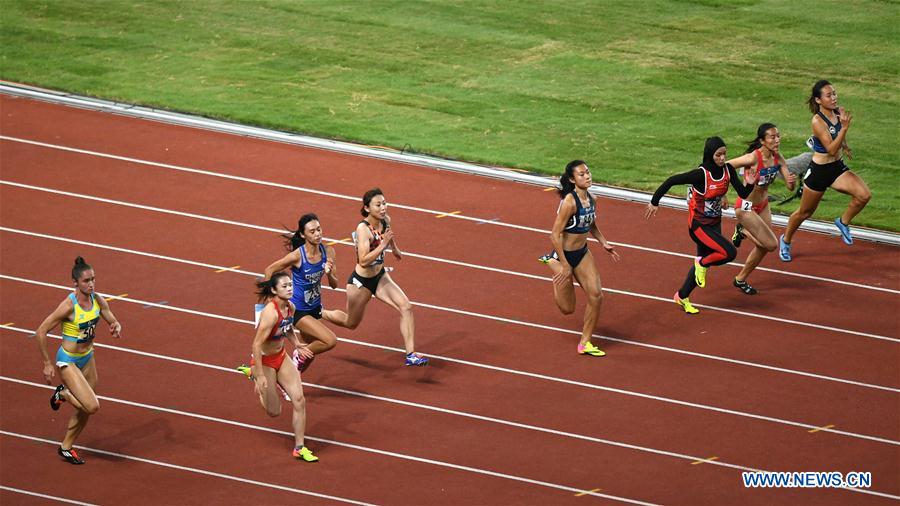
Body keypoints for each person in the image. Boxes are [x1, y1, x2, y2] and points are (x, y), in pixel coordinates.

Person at [644, 137, 753, 313]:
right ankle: (701, 264)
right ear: (711, 155)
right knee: (729, 253)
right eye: (719, 155)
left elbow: (743, 192)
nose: (723, 158)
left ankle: (682, 296)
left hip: (715, 223)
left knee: (704, 263)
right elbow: (672, 180)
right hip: (698, 226)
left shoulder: (728, 170)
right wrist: (655, 201)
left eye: (725, 154)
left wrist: (751, 181)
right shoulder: (700, 174)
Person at [322, 188, 428, 366]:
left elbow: (388, 234)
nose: (383, 207)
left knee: (406, 307)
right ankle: (318, 312)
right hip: (360, 283)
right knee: (350, 323)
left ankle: (411, 354)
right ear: (367, 208)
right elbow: (363, 260)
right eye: (378, 205)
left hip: (379, 276)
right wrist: (384, 245)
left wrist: (394, 248)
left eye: (384, 203)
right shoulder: (363, 229)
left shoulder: (386, 220)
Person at [34, 257, 122, 465]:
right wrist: (47, 363)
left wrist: (116, 325)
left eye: (93, 279)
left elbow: (109, 315)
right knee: (91, 406)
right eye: (86, 281)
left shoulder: (97, 300)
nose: (91, 284)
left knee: (84, 409)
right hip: (68, 361)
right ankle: (63, 392)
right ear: (75, 282)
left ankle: (66, 447)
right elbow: (41, 332)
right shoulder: (68, 307)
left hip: (87, 357)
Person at [779, 80, 872, 261]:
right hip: (819, 171)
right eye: (829, 95)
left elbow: (836, 139)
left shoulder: (838, 112)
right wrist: (844, 129)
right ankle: (786, 240)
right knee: (805, 212)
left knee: (864, 195)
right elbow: (830, 148)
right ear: (818, 100)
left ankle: (843, 222)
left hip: (837, 168)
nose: (834, 97)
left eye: (834, 93)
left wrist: (844, 144)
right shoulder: (817, 120)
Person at [538, 160, 620, 357]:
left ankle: (585, 342)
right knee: (568, 309)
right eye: (582, 174)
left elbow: (590, 223)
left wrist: (603, 242)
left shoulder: (593, 198)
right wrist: (565, 265)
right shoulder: (569, 202)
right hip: (563, 256)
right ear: (572, 180)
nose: (587, 176)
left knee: (596, 295)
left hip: (582, 253)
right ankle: (551, 262)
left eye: (588, 172)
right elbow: (554, 235)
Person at [239, 272, 318, 462]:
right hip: (264, 361)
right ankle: (253, 375)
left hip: (281, 357)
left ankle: (299, 447)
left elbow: (288, 327)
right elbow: (256, 345)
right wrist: (260, 374)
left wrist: (297, 343)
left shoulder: (290, 306)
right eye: (284, 286)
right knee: (274, 412)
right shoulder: (270, 313)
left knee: (299, 400)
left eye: (290, 285)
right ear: (274, 290)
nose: (290, 288)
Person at [262, 213, 339, 373]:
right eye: (312, 231)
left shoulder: (328, 252)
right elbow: (269, 270)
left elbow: (334, 285)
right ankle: (290, 364)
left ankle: (289, 379)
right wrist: (272, 300)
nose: (317, 234)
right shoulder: (297, 256)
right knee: (330, 340)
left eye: (319, 229)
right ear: (303, 235)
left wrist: (330, 273)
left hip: (315, 307)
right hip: (298, 309)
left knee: (309, 352)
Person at [727, 123, 796, 294]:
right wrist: (723, 193)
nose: (777, 140)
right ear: (762, 141)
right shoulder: (752, 158)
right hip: (746, 207)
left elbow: (790, 187)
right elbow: (725, 166)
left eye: (778, 136)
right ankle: (743, 230)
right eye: (772, 137)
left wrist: (791, 182)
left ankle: (740, 279)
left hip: (763, 205)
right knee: (772, 245)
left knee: (763, 247)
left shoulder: (778, 158)